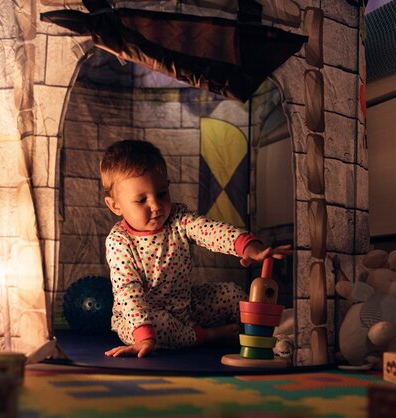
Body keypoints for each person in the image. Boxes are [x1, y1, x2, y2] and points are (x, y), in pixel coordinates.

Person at [99, 139, 292, 358]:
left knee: (231, 294)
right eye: (141, 200)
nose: (155, 205)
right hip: (141, 317)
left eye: (161, 194)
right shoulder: (119, 242)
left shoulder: (178, 219)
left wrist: (249, 247)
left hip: (187, 305)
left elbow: (209, 230)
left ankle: (271, 332)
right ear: (115, 205)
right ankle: (208, 336)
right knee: (154, 326)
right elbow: (128, 290)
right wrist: (143, 335)